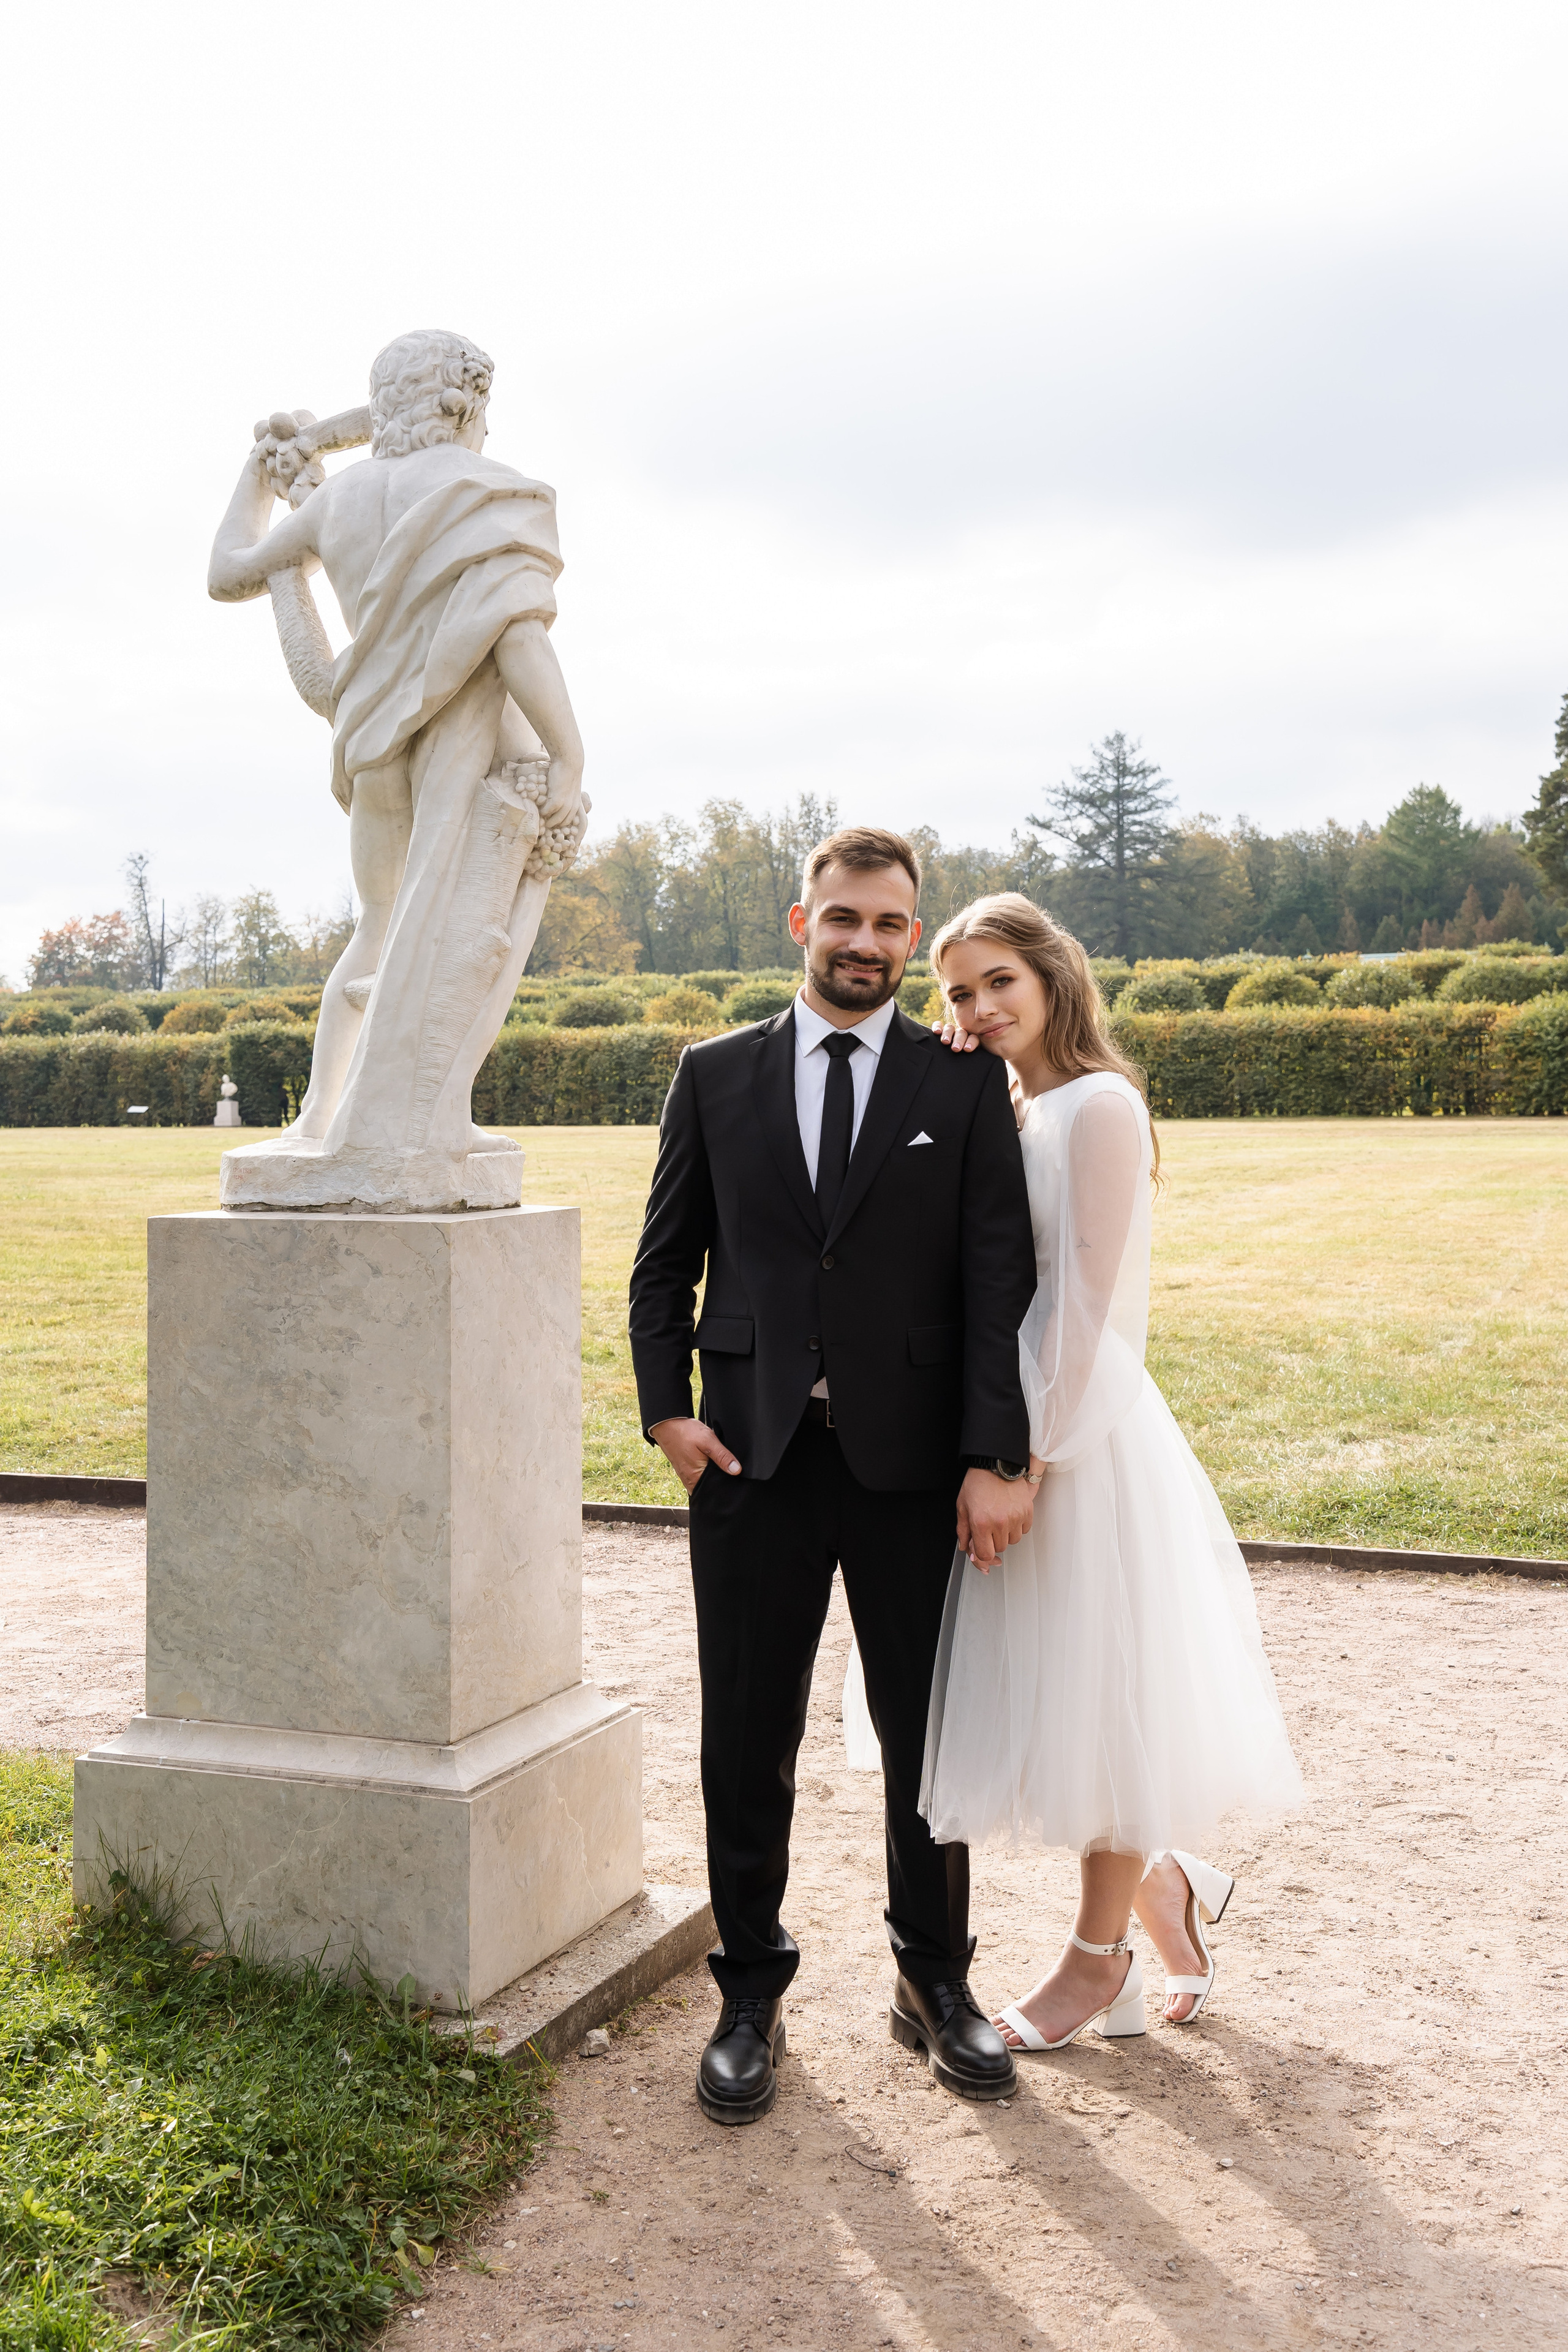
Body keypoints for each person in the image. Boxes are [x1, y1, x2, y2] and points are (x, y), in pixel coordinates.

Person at [628, 829, 1039, 2123]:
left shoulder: (960, 1083)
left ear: (913, 939)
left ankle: (934, 1983)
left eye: (891, 924)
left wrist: (992, 1455)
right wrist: (665, 1416)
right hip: (750, 1458)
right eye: (845, 918)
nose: (866, 941)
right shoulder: (712, 1075)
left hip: (915, 1469)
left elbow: (996, 1285)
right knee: (746, 1733)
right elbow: (662, 1265)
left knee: (929, 1734)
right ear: (799, 920)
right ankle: (748, 1993)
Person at [846, 892, 1302, 2048]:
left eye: (999, 980)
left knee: (1099, 1702)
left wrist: (1021, 1461)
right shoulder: (1003, 1102)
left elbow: (1082, 1310)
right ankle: (1167, 1891)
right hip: (998, 1431)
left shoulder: (1099, 1104)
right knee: (1035, 1702)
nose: (979, 1006)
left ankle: (1097, 1965)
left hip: (1072, 1441)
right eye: (956, 991)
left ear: (1054, 976)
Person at [206, 328, 586, 1209]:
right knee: (464, 934)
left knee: (382, 925)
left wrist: (260, 474)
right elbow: (517, 637)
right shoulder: (484, 492)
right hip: (469, 748)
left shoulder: (339, 504)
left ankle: (322, 1121)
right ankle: (431, 1108)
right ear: (470, 405)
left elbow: (230, 572)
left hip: (373, 742)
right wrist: (569, 749)